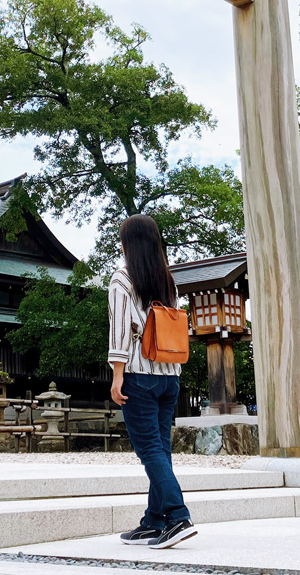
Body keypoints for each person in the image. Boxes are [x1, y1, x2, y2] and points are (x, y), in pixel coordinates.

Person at [108, 214, 196, 549]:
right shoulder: (168, 281)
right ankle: (154, 521)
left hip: (137, 376)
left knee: (149, 451)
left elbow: (119, 329)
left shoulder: (123, 278)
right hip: (169, 376)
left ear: (128, 243)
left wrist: (117, 376)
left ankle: (177, 517)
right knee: (160, 449)